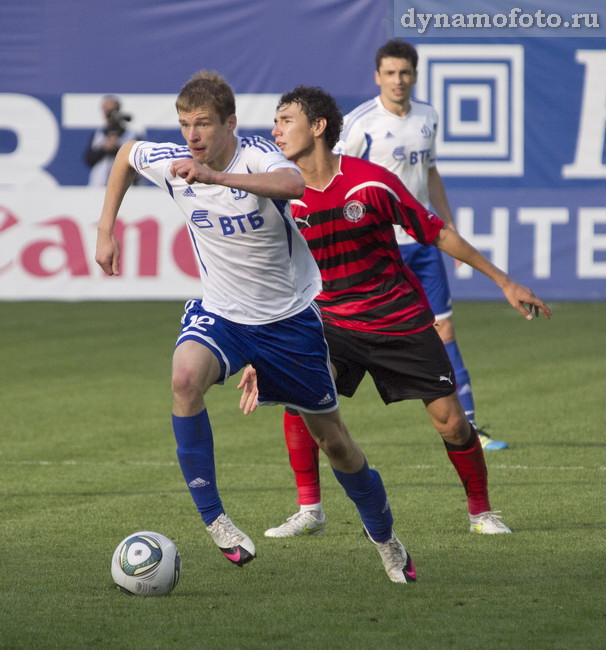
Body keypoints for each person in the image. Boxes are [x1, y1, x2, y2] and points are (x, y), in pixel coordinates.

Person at [95, 70, 416, 584]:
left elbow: (293, 184)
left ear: (231, 124)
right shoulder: (175, 162)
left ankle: (384, 536)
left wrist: (217, 178)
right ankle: (215, 519)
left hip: (287, 321)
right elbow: (127, 153)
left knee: (334, 443)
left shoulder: (259, 158)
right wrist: (106, 230)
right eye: (184, 125)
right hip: (222, 313)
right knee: (183, 381)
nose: (192, 136)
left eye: (203, 124)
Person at [238, 85, 550, 540]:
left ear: (318, 127)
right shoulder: (278, 196)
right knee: (298, 392)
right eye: (276, 120)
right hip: (329, 321)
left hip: (396, 317)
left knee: (452, 422)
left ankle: (481, 512)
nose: (276, 129)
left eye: (286, 120)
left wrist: (503, 281)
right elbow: (267, 274)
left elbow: (435, 233)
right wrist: (261, 345)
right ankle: (310, 509)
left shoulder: (371, 181)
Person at [336, 40, 507, 451]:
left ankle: (468, 425)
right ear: (378, 76)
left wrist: (447, 222)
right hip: (377, 246)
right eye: (390, 73)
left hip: (422, 240)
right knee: (348, 333)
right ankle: (323, 424)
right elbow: (336, 177)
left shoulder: (428, 116)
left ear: (415, 74)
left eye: (405, 72)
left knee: (444, 328)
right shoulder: (359, 123)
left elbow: (430, 172)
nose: (398, 80)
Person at [84, 95, 144, 186]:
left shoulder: (132, 134)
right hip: (99, 185)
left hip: (126, 187)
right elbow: (89, 159)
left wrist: (118, 149)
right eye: (107, 111)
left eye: (112, 110)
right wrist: (103, 149)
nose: (110, 114)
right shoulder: (98, 134)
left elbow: (140, 161)